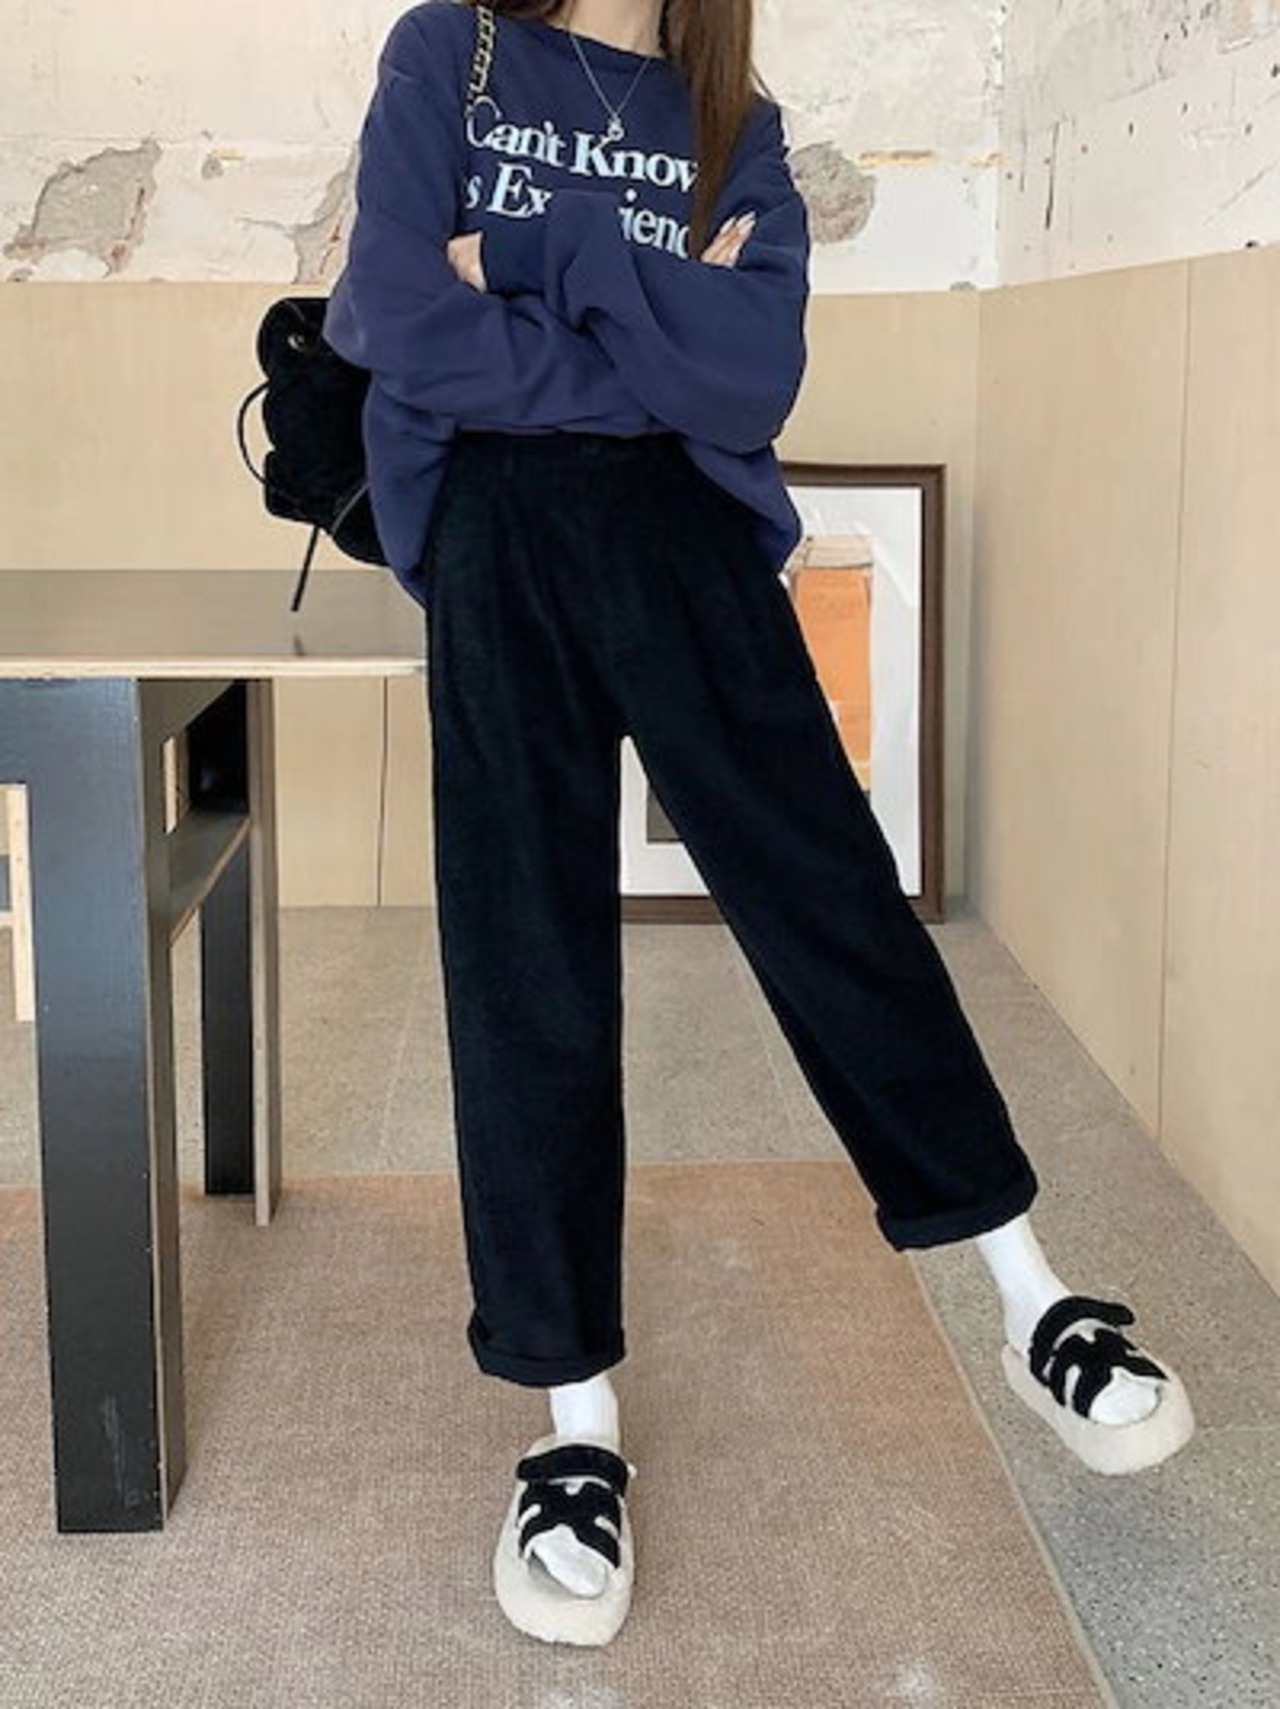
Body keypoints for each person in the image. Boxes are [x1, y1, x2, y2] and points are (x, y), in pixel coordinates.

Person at [323, 0, 1195, 1647]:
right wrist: (649, 331)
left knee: (833, 904)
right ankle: (572, 1424)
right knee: (525, 968)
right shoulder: (451, 53)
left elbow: (750, 377)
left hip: (689, 540)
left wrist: (538, 253)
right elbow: (396, 317)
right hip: (497, 548)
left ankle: (1031, 1296)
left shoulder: (741, 124)